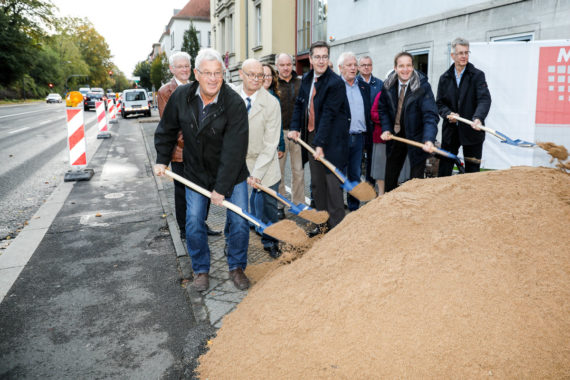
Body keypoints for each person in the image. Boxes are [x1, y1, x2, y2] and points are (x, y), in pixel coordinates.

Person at [154, 48, 251, 292]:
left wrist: (221, 188)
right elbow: (166, 129)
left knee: (239, 221)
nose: (212, 78)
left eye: (217, 73)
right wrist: (162, 159)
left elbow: (235, 150)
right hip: (195, 171)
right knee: (194, 221)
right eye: (206, 73)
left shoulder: (234, 104)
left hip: (232, 172)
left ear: (223, 74)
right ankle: (201, 269)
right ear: (196, 74)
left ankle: (237, 266)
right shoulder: (181, 97)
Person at [157, 52, 221, 239]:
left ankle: (201, 223)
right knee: (183, 191)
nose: (184, 69)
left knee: (206, 187)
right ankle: (185, 229)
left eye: (187, 66)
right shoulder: (165, 92)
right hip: (181, 152)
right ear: (172, 69)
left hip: (205, 152)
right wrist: (197, 139)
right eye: (180, 66)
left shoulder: (199, 86)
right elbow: (169, 125)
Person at [288, 41, 350, 230]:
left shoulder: (335, 83)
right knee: (317, 186)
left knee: (333, 187)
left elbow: (329, 115)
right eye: (317, 57)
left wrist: (320, 144)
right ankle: (322, 225)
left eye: (325, 57)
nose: (321, 61)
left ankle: (336, 229)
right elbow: (300, 104)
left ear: (328, 58)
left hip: (331, 142)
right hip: (312, 138)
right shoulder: (306, 79)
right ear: (311, 59)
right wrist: (295, 127)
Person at [237, 59, 282, 258]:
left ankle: (270, 240)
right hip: (236, 160)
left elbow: (271, 143)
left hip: (265, 160)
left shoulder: (271, 103)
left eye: (260, 76)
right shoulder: (229, 97)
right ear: (241, 74)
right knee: (236, 207)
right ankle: (233, 242)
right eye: (252, 75)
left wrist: (256, 174)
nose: (256, 79)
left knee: (269, 205)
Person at [379, 52, 438, 192]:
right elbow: (383, 110)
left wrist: (429, 139)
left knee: (415, 181)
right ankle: (390, 207)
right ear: (395, 68)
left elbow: (430, 115)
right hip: (396, 135)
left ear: (413, 67)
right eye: (401, 66)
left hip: (417, 136)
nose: (405, 70)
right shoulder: (388, 85)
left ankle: (414, 209)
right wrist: (386, 129)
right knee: (390, 177)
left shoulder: (422, 86)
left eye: (408, 65)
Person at [436, 37, 492, 176]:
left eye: (466, 52)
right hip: (451, 132)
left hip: (472, 131)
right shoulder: (444, 78)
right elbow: (439, 103)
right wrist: (448, 114)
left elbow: (484, 99)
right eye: (460, 53)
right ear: (453, 55)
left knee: (472, 173)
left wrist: (478, 118)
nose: (464, 56)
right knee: (444, 171)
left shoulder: (477, 75)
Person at [337, 52, 371, 211]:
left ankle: (354, 208)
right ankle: (336, 209)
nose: (353, 68)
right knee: (338, 176)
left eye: (354, 65)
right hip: (340, 139)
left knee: (355, 175)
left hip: (358, 139)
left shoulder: (363, 86)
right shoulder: (335, 86)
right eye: (349, 65)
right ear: (340, 68)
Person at [276, 53, 304, 218]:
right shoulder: (273, 84)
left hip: (297, 134)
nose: (286, 68)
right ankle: (280, 205)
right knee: (278, 173)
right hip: (278, 134)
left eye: (288, 64)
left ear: (292, 65)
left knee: (298, 171)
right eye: (282, 65)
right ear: (277, 66)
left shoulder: (300, 83)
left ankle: (298, 204)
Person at [357, 55, 384, 185]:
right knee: (357, 159)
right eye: (363, 65)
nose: (366, 67)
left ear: (372, 66)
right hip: (358, 128)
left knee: (373, 159)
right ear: (358, 67)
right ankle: (356, 188)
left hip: (374, 128)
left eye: (369, 65)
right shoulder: (354, 82)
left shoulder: (379, 84)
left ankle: (370, 185)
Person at [262, 63, 285, 159]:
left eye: (269, 75)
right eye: (263, 75)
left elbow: (278, 123)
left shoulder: (275, 97)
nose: (266, 78)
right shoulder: (251, 96)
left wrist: (281, 145)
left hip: (271, 145)